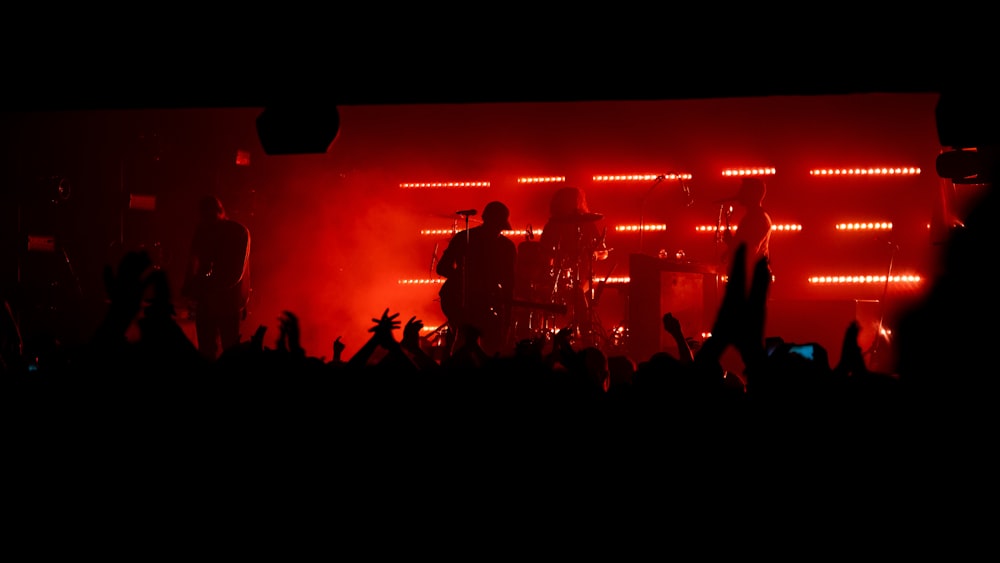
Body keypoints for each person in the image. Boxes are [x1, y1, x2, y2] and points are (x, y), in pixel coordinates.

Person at [435, 201, 517, 358]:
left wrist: (506, 317)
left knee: (489, 343)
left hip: (486, 301)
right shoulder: (464, 239)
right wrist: (464, 279)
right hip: (458, 298)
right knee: (461, 339)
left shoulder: (506, 247)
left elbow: (509, 283)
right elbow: (442, 268)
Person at [181, 194, 251, 361]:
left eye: (211, 216)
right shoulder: (204, 231)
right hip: (213, 300)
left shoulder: (238, 232)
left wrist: (199, 287)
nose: (208, 222)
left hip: (226, 300)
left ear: (220, 212)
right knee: (207, 349)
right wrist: (190, 285)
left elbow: (236, 273)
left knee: (229, 349)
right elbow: (194, 261)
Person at [538, 186, 609, 345]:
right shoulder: (554, 224)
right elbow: (543, 251)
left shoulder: (588, 223)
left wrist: (594, 254)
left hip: (582, 276)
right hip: (557, 275)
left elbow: (603, 252)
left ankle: (586, 335)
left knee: (577, 292)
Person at [719, 176, 773, 280]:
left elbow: (749, 250)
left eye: (743, 190)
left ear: (753, 194)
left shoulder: (759, 219)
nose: (739, 193)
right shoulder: (752, 217)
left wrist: (730, 242)